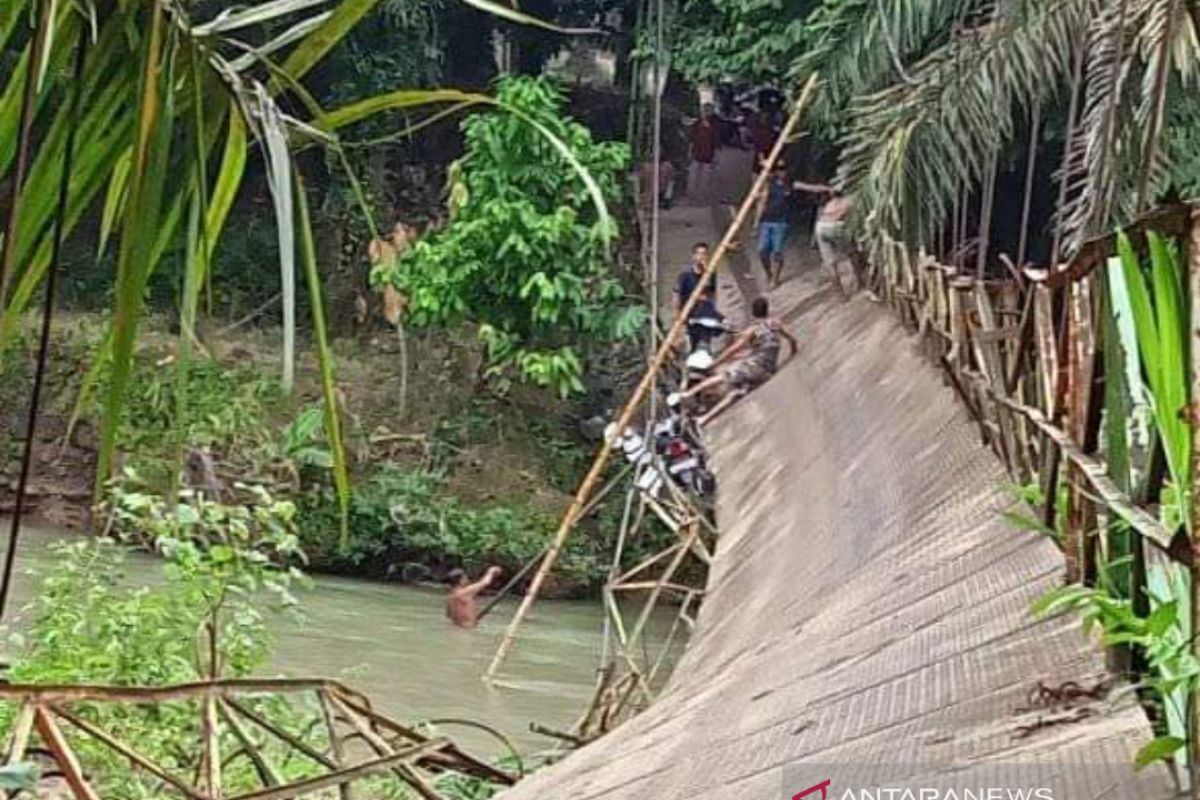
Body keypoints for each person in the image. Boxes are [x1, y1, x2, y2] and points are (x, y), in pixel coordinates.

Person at [671, 296, 798, 427]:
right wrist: (793, 353)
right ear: (767, 310)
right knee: (736, 393)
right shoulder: (776, 324)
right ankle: (702, 420)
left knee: (723, 376)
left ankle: (688, 394)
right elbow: (792, 340)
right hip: (768, 371)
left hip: (754, 367)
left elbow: (734, 350)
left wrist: (715, 363)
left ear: (753, 312)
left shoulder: (752, 330)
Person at [792, 180, 854, 295]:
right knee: (852, 253)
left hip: (821, 227)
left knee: (829, 263)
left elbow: (814, 187)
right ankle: (859, 278)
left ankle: (840, 293)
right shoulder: (849, 200)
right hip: (836, 226)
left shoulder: (828, 203)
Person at [753, 160, 796, 287]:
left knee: (777, 252)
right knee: (762, 251)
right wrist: (756, 222)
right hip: (767, 221)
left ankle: (775, 278)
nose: (782, 172)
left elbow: (806, 186)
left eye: (783, 169)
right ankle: (768, 273)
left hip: (781, 223)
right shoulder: (769, 184)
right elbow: (762, 202)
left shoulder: (790, 184)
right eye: (779, 169)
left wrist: (824, 188)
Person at [675, 243, 721, 351]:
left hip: (706, 313)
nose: (701, 257)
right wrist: (679, 315)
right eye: (699, 254)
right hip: (691, 313)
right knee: (694, 342)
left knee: (705, 342)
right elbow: (679, 295)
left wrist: (707, 271)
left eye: (704, 254)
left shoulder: (710, 273)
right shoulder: (685, 275)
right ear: (694, 256)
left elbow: (712, 291)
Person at [688, 103, 720, 205]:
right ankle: (692, 197)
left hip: (708, 155)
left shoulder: (715, 123)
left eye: (708, 110)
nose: (706, 112)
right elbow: (692, 138)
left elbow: (716, 140)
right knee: (694, 177)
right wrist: (690, 150)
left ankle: (701, 199)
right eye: (705, 110)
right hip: (697, 153)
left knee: (705, 179)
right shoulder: (697, 123)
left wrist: (716, 154)